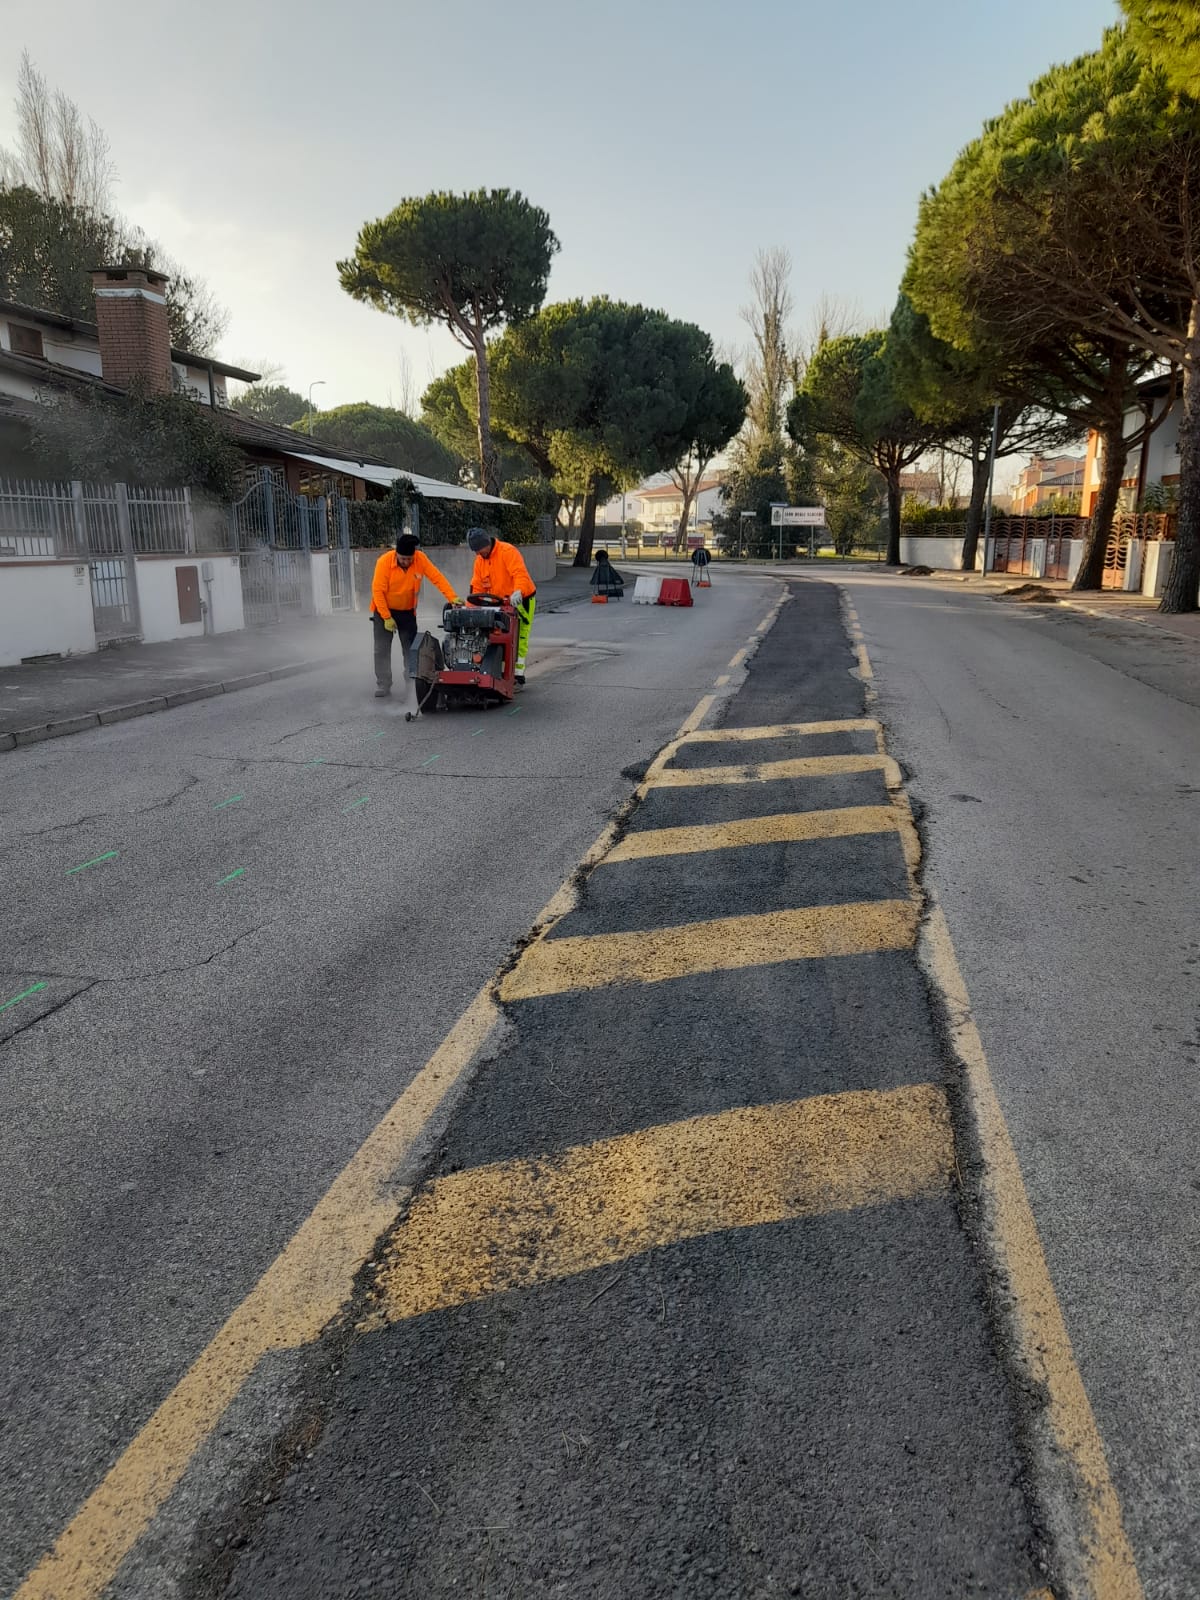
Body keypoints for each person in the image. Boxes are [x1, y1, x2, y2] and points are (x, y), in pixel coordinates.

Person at [370, 533, 460, 698]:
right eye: (403, 559)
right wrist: (386, 617)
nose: (406, 562)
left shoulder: (420, 559)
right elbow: (377, 591)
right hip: (384, 611)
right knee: (381, 649)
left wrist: (452, 597)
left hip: (407, 613)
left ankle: (411, 682)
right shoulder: (384, 562)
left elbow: (437, 578)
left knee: (411, 650)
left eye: (409, 559)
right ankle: (383, 683)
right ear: (396, 554)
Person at [466, 527, 537, 685]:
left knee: (520, 635)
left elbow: (520, 573)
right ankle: (499, 670)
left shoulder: (507, 551)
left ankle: (517, 673)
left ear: (487, 543)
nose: (478, 553)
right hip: (498, 602)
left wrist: (518, 591)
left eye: (479, 549)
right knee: (497, 635)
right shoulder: (480, 561)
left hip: (521, 599)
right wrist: (470, 610)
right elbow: (477, 587)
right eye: (475, 551)